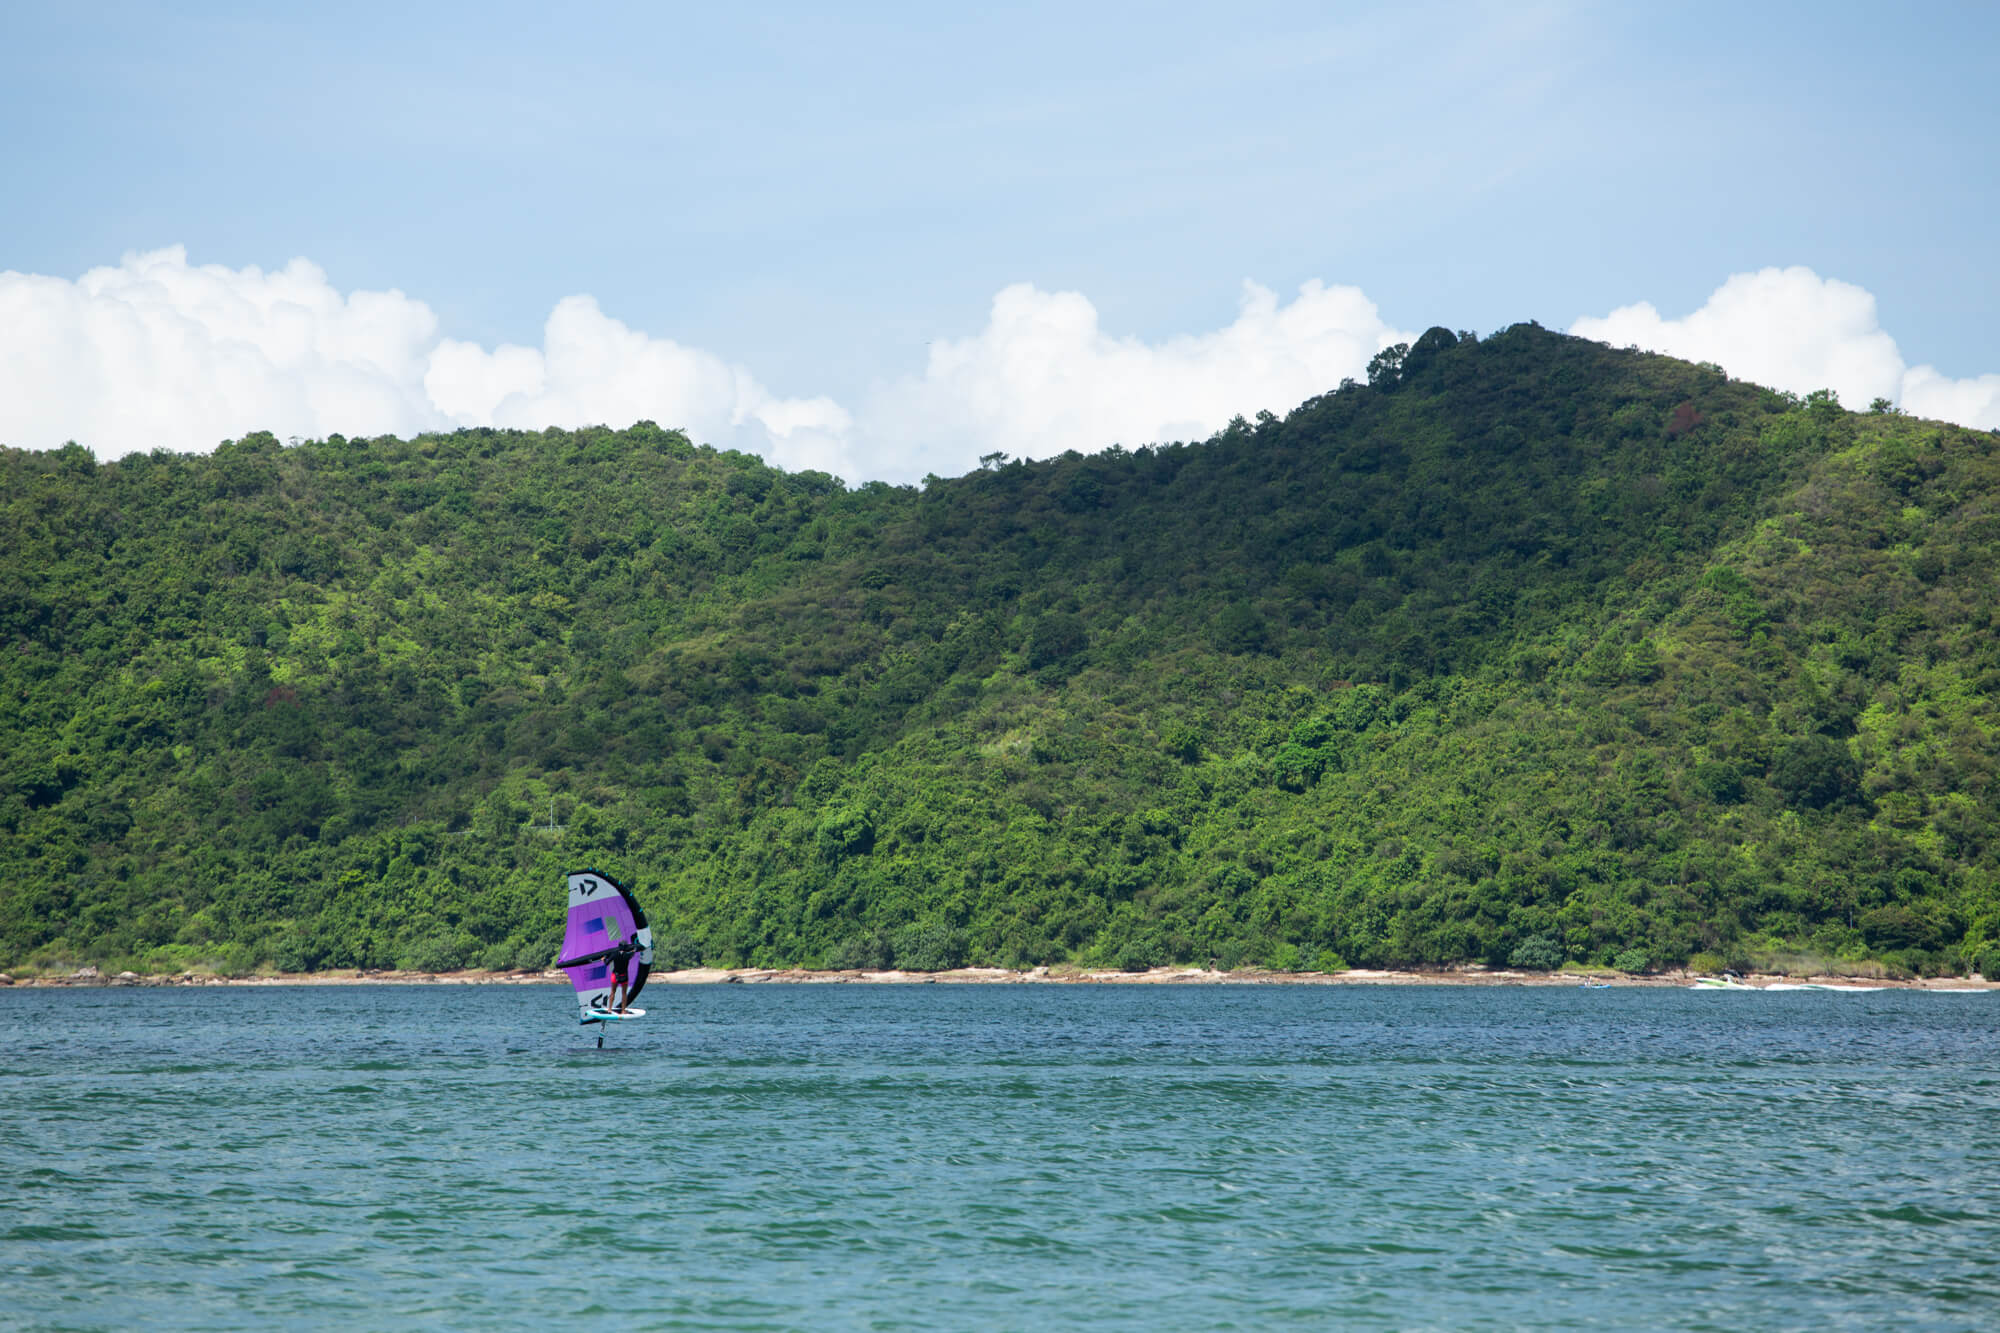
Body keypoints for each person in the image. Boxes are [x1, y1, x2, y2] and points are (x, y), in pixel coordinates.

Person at [605, 940, 640, 1013]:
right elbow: (633, 953)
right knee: (624, 993)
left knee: (612, 992)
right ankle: (623, 1010)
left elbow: (606, 963)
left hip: (615, 976)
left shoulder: (614, 954)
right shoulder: (627, 955)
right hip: (624, 976)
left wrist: (603, 959)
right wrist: (634, 950)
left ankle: (609, 1009)